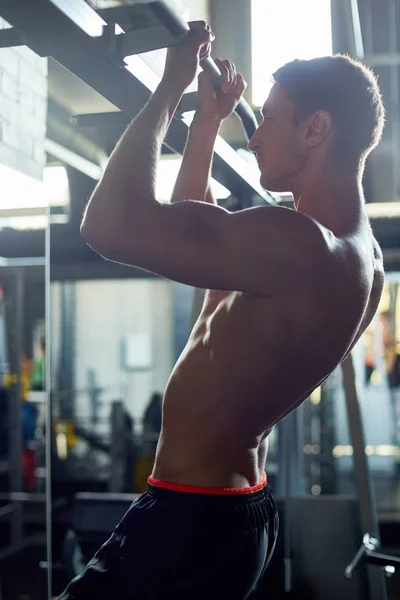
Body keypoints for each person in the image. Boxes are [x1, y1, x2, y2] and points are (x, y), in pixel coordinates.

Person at [60, 21, 385, 600]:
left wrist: (170, 88)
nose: (254, 139)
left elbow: (107, 224)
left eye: (270, 121)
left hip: (190, 520)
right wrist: (207, 118)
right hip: (227, 512)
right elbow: (193, 237)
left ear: (316, 129)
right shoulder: (361, 260)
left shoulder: (298, 242)